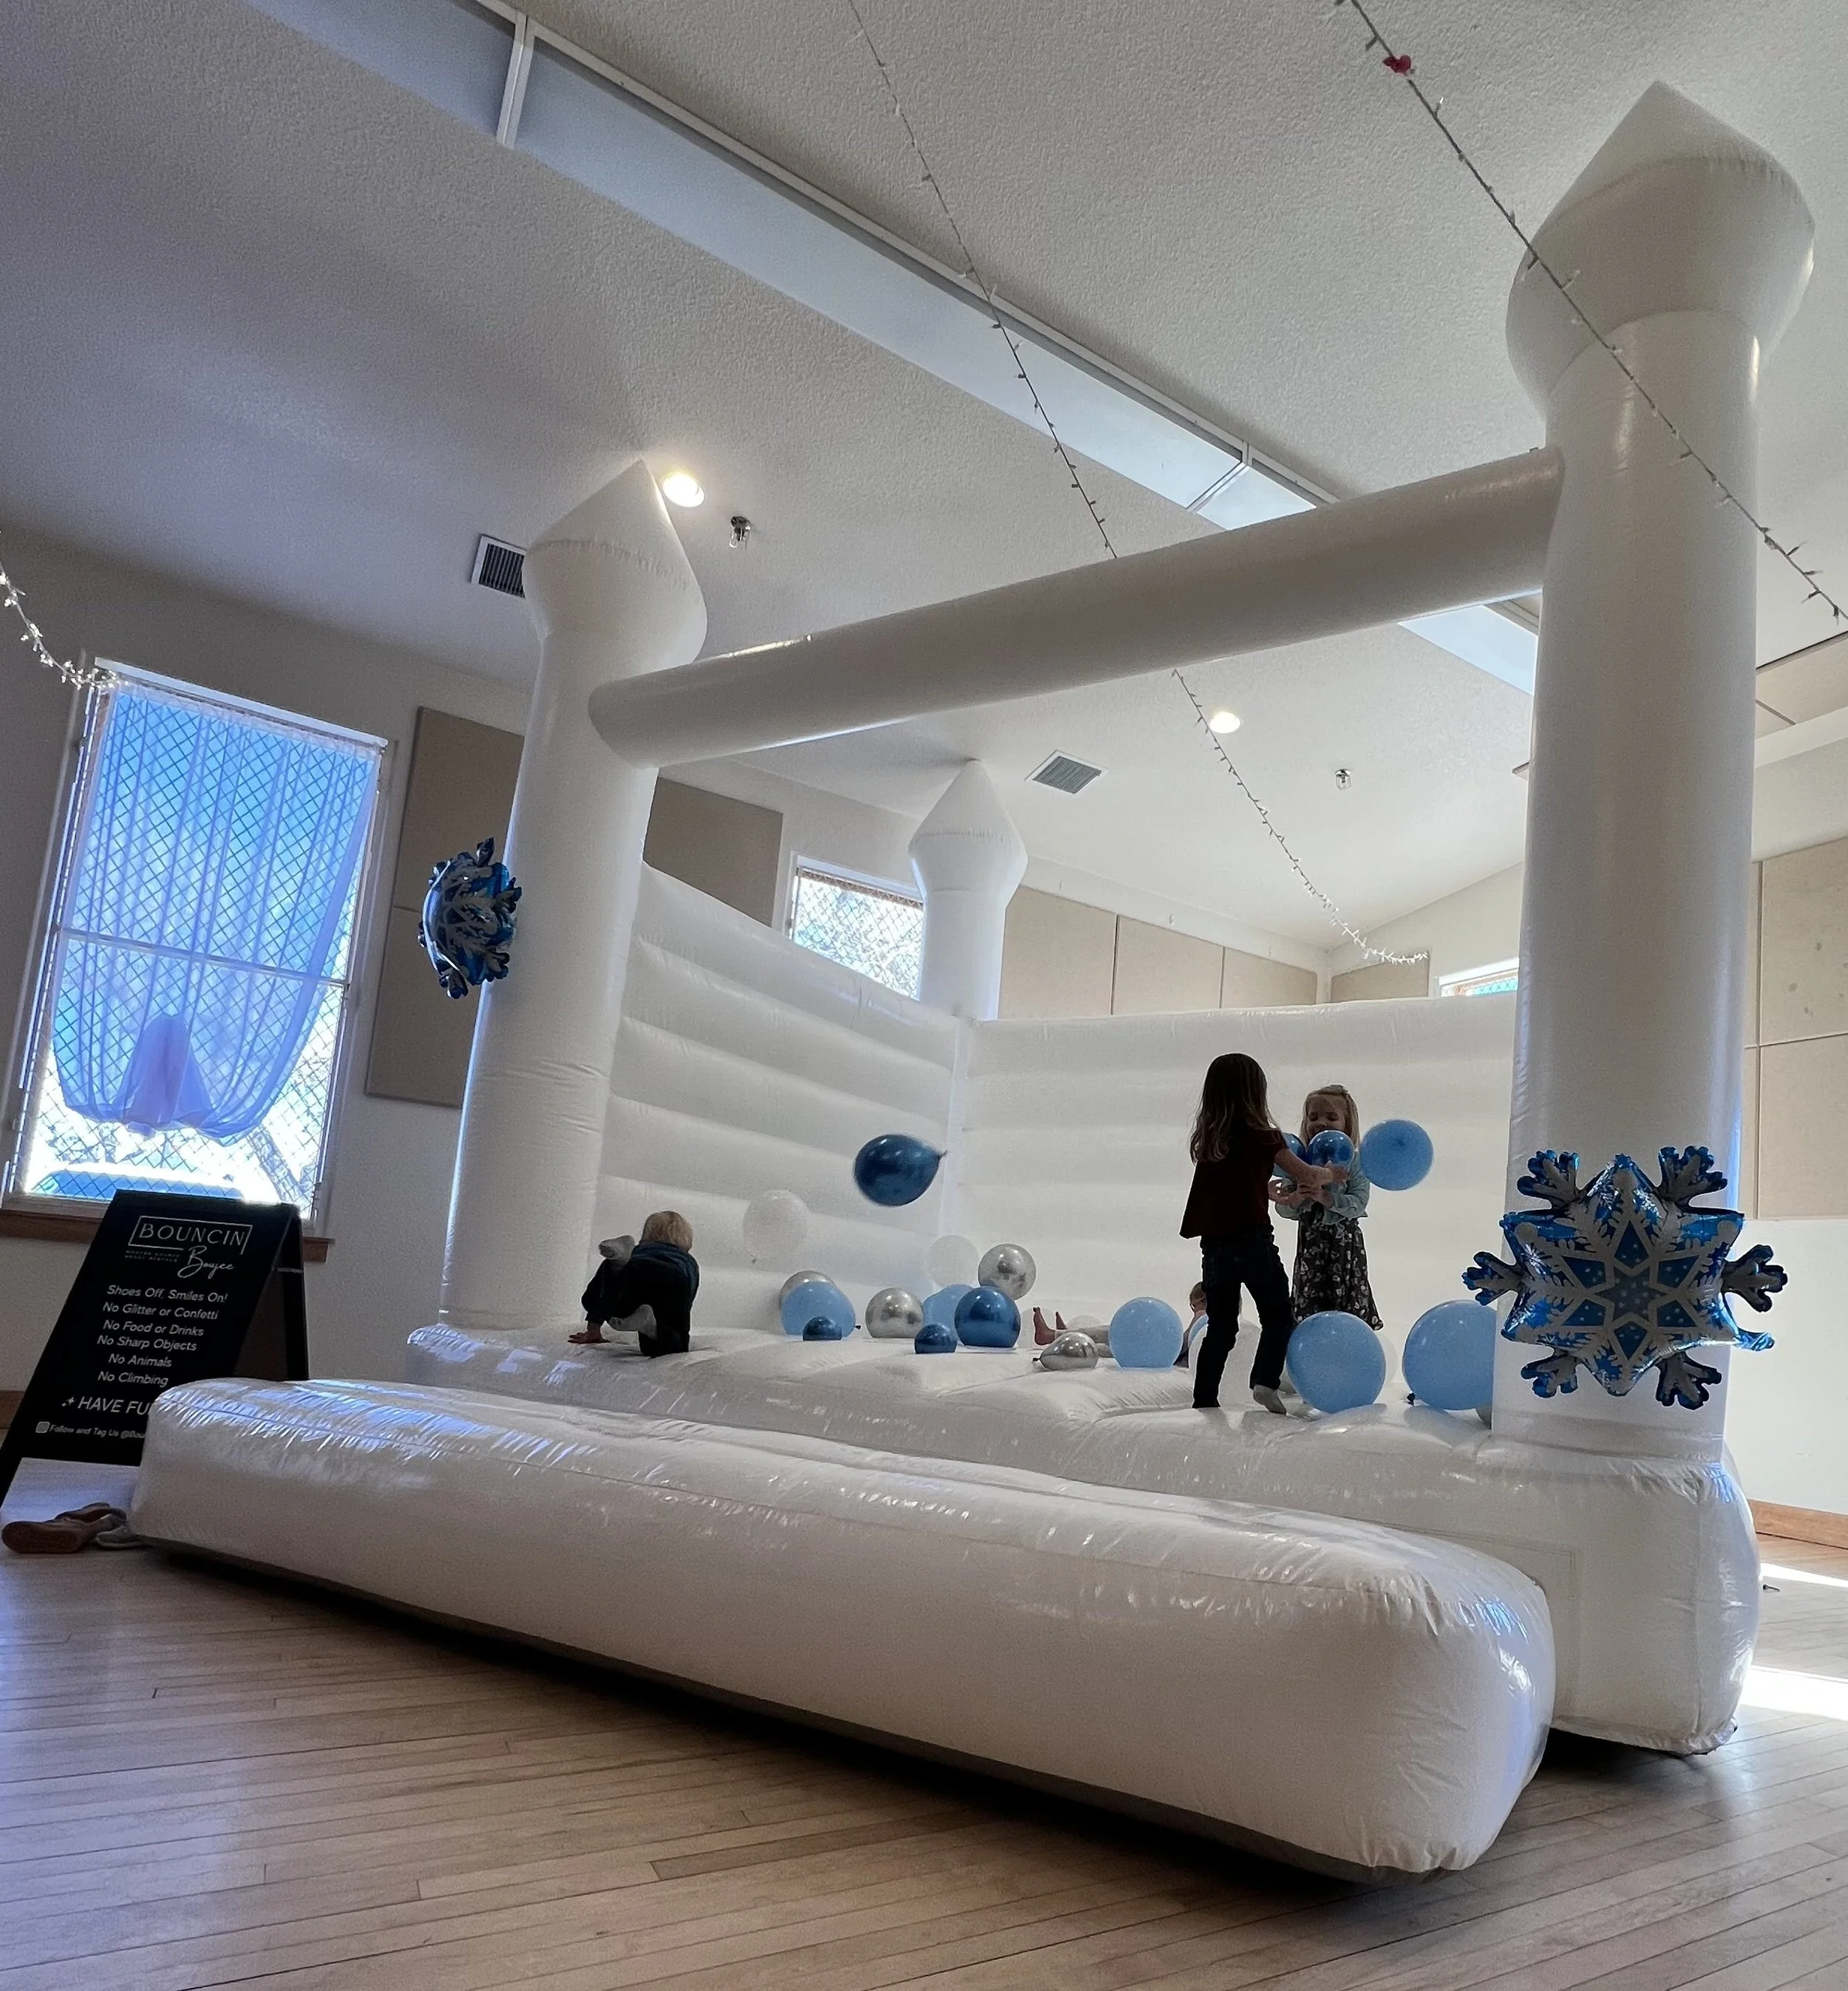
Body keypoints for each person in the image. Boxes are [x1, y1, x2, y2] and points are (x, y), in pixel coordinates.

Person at [1181, 1052, 1340, 1415]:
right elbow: (1307, 1176)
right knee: (1278, 1316)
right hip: (1253, 1243)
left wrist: (1262, 1190)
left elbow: (1227, 1189)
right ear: (1256, 1093)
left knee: (1221, 1327)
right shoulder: (1264, 1138)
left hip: (1216, 1247)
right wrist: (1333, 1174)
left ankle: (1203, 1399)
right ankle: (1264, 1382)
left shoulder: (1209, 1142)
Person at [1271, 1083, 1383, 1332]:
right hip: (1311, 1248)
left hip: (1344, 1249)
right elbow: (1286, 1210)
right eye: (1313, 1117)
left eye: (1331, 1117)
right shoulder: (1300, 1161)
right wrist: (1298, 1197)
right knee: (1310, 1304)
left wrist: (1325, 1196)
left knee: (1345, 1305)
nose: (1320, 1123)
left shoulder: (1354, 1161)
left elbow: (1358, 1204)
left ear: (1347, 1124)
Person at [571, 1211, 699, 1356]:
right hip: (674, 1276)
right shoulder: (688, 1262)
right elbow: (684, 1304)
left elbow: (598, 1291)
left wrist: (593, 1329)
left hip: (636, 1267)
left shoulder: (639, 1252)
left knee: (618, 1300)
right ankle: (650, 1327)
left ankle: (617, 1265)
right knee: (675, 1343)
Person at [1175, 1282, 1208, 1367]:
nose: (1194, 1311)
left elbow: (1181, 1347)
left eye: (1194, 1306)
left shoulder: (1202, 1317)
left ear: (1202, 1300)